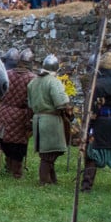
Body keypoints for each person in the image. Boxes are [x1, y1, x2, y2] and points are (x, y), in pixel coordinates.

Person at [81, 53, 111, 193]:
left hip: (100, 122)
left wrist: (89, 124)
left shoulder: (98, 85)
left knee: (92, 154)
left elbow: (94, 109)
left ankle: (86, 187)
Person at [27, 54, 70, 185]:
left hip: (38, 119)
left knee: (48, 153)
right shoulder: (53, 81)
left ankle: (52, 179)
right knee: (49, 154)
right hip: (50, 120)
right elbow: (61, 102)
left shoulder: (33, 82)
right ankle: (44, 180)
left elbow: (30, 104)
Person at [0, 49, 35, 179]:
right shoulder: (31, 78)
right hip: (20, 113)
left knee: (5, 140)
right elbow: (31, 100)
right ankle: (16, 172)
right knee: (18, 145)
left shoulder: (7, 74)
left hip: (4, 111)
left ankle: (9, 168)